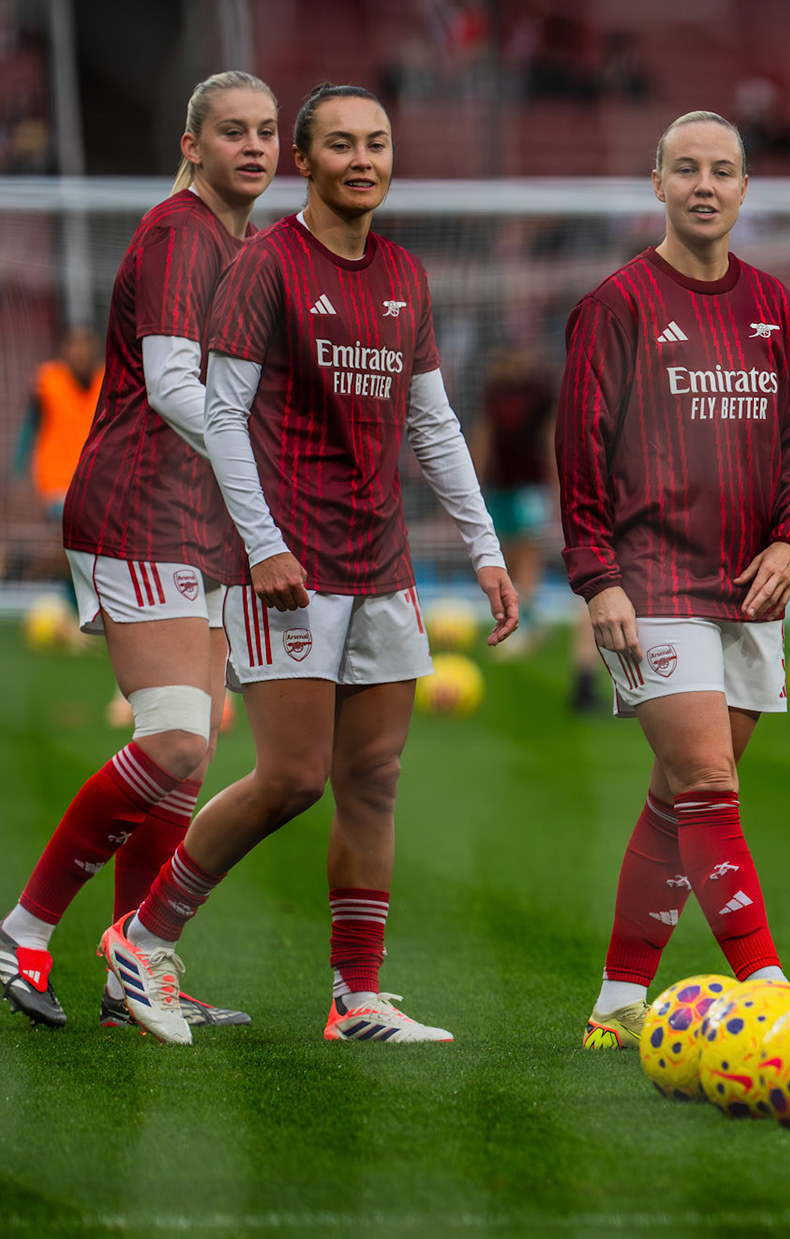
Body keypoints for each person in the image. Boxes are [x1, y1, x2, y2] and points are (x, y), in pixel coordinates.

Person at [100, 83, 519, 1046]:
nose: (362, 159)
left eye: (376, 143)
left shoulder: (409, 273)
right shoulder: (264, 265)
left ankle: (356, 997)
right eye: (340, 144)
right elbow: (219, 412)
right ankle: (141, 940)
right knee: (293, 777)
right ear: (305, 160)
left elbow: (434, 424)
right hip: (288, 563)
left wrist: (486, 549)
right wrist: (265, 544)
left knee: (374, 776)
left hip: (384, 563)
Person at [0, 72, 277, 1032]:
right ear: (194, 145)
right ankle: (22, 931)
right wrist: (267, 471)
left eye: (268, 132)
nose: (254, 147)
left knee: (187, 765)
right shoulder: (178, 233)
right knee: (173, 740)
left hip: (197, 518)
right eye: (232, 131)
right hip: (137, 505)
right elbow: (168, 384)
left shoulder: (238, 244)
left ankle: (134, 971)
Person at [558, 111, 790, 1049]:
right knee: (708, 781)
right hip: (653, 579)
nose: (705, 185)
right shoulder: (617, 305)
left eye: (724, 171)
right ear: (657, 184)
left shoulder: (776, 307)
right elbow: (580, 453)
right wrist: (598, 580)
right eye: (687, 170)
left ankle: (619, 1001)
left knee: (679, 797)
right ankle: (771, 989)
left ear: (746, 190)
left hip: (751, 584)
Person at [470, 346, 556, 658]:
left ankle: (527, 624)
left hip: (530, 486)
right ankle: (526, 619)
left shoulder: (538, 394)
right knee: (509, 555)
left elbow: (549, 439)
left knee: (527, 556)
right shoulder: (495, 394)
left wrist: (556, 486)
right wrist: (475, 483)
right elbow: (484, 436)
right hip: (502, 485)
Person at [14, 325, 103, 522]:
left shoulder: (105, 380)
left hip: (97, 484)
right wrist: (16, 473)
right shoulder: (48, 381)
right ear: (65, 349)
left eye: (86, 346)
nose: (81, 353)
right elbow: (28, 429)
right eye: (75, 346)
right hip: (57, 484)